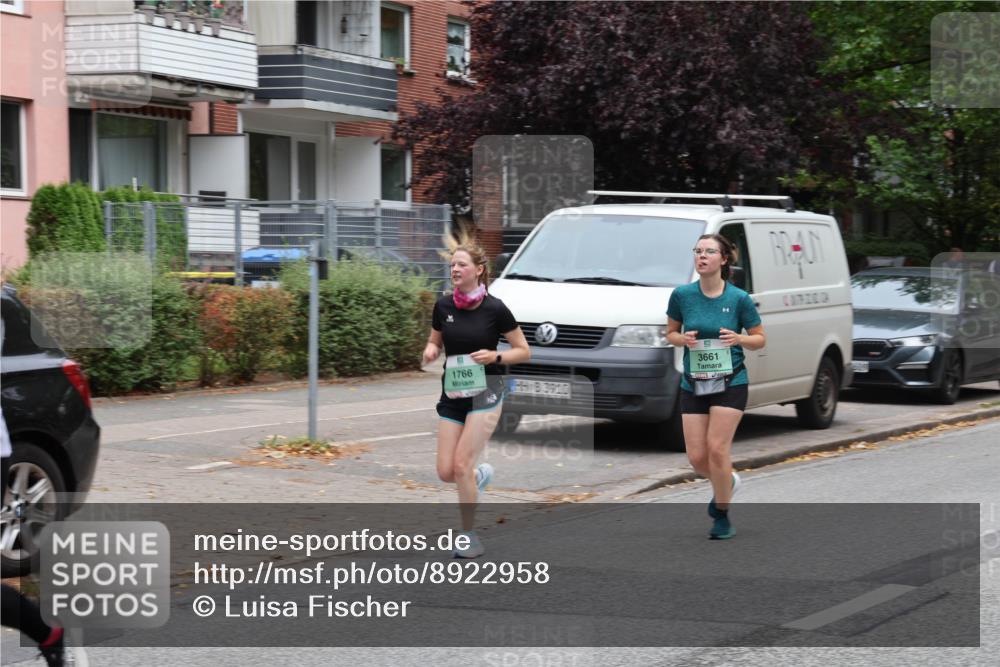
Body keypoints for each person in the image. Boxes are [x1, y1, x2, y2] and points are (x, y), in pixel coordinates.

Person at [423, 236, 530, 558]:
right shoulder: (443, 306)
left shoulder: (495, 309)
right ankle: (478, 477)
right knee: (446, 471)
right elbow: (435, 341)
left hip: (487, 393)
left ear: (478, 270)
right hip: (453, 394)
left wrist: (494, 357)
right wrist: (430, 350)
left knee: (460, 465)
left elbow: (523, 351)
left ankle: (469, 536)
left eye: (461, 264)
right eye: (452, 264)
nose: (454, 269)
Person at [666, 234, 766, 540]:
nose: (701, 256)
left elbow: (759, 337)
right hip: (694, 381)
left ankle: (722, 514)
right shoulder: (682, 295)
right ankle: (728, 482)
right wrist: (682, 339)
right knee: (697, 457)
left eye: (709, 252)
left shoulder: (738, 299)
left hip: (730, 380)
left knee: (717, 449)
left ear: (724, 259)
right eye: (697, 251)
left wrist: (739, 339)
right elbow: (670, 332)